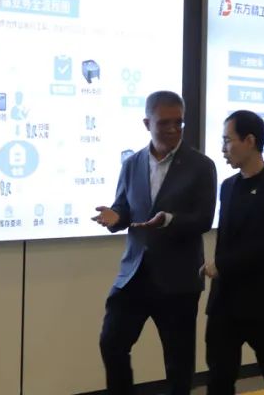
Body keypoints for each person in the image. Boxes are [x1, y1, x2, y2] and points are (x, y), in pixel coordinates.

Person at [93, 91, 218, 395]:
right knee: (111, 343)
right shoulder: (132, 163)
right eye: (164, 123)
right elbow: (124, 208)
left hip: (178, 278)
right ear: (147, 123)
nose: (173, 129)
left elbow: (203, 219)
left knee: (178, 363)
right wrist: (115, 218)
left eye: (179, 122)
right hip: (134, 275)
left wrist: (169, 220)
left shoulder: (201, 165)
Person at [203, 110, 264, 395]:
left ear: (250, 141)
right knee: (219, 375)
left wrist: (222, 265)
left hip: (262, 300)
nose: (223, 149)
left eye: (228, 140)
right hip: (224, 300)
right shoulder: (228, 186)